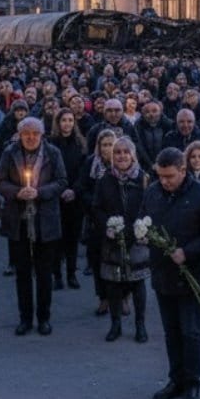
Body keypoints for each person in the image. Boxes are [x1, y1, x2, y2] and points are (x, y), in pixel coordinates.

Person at [141, 147, 200, 399]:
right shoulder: (153, 191)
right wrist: (143, 233)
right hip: (162, 271)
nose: (165, 182)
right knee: (171, 331)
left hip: (191, 275)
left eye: (170, 177)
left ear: (183, 170)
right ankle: (175, 379)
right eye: (161, 176)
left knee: (190, 332)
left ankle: (192, 383)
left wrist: (187, 252)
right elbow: (143, 219)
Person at [0, 117, 67, 337]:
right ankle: (25, 318)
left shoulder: (53, 153)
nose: (31, 137)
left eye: (35, 133)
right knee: (23, 272)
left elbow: (62, 181)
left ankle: (43, 318)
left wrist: (41, 192)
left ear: (42, 135)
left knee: (44, 273)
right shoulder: (10, 153)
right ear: (19, 134)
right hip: (18, 220)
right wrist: (17, 192)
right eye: (26, 133)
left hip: (44, 219)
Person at [92, 137, 149, 343]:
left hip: (137, 239)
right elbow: (96, 207)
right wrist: (108, 226)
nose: (122, 156)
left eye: (126, 152)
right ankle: (115, 324)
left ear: (133, 155)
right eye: (118, 152)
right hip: (112, 239)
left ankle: (140, 325)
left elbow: (148, 207)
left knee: (137, 283)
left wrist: (140, 229)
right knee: (113, 284)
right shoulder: (105, 179)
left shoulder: (143, 179)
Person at [77, 129, 118, 315]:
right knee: (97, 261)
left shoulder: (123, 163)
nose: (107, 149)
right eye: (104, 145)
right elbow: (81, 186)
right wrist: (93, 203)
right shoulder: (90, 164)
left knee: (118, 261)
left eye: (111, 145)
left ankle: (122, 297)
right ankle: (103, 297)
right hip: (96, 220)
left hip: (118, 219)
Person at [51, 108, 86, 290]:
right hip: (56, 198)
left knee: (72, 238)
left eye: (70, 120)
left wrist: (74, 190)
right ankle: (56, 274)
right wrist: (60, 189)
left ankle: (71, 273)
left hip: (75, 197)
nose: (67, 124)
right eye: (64, 120)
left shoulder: (80, 144)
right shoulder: (51, 144)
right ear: (58, 123)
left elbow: (83, 171)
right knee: (57, 239)